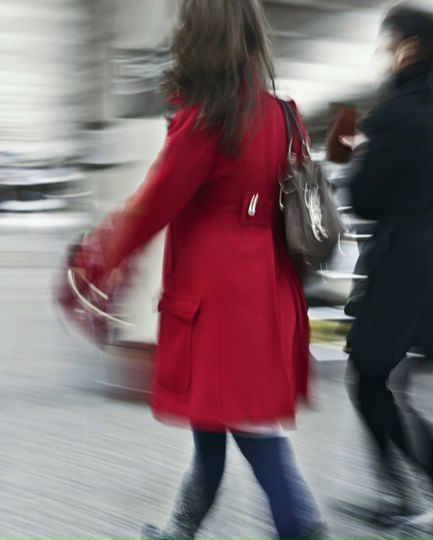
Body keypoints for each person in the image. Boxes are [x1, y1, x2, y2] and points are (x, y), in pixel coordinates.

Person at [57, 1, 324, 539]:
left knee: (256, 439)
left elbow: (152, 205)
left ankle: (303, 531)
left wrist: (93, 262)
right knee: (213, 430)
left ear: (198, 37)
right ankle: (179, 530)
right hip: (267, 291)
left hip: (220, 302)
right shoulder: (284, 116)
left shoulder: (209, 121)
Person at [340, 6, 433, 526]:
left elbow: (362, 199)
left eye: (388, 40)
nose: (382, 50)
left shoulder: (391, 115)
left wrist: (358, 154)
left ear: (410, 48)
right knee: (382, 380)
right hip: (428, 256)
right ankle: (430, 488)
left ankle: (428, 490)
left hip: (396, 260)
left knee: (368, 378)